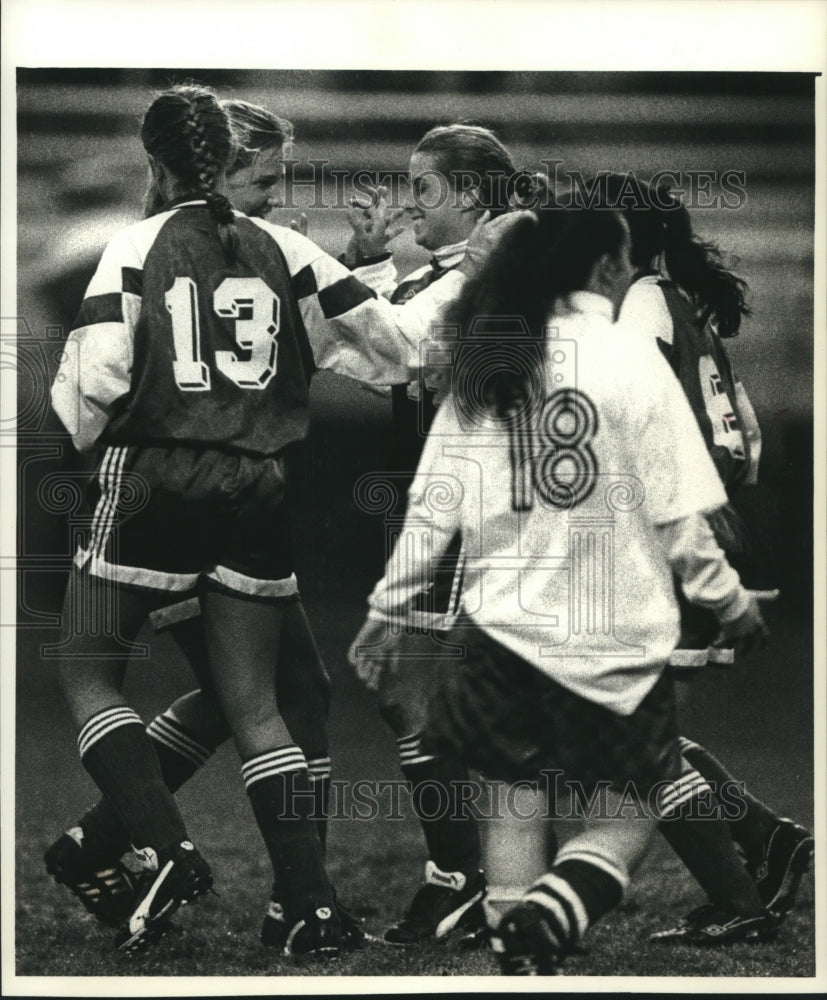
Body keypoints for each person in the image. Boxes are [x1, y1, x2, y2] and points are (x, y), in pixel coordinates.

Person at [49, 84, 484, 958]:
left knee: (90, 670)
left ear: (164, 164)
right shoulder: (287, 250)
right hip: (255, 485)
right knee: (264, 701)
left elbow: (93, 380)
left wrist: (88, 454)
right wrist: (470, 269)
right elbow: (395, 349)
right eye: (265, 178)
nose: (278, 193)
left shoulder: (132, 245)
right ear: (225, 168)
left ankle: (156, 843)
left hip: (152, 478)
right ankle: (308, 905)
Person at [349, 198, 775, 975]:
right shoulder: (626, 356)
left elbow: (433, 500)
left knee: (510, 799)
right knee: (629, 804)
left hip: (498, 634)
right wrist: (728, 602)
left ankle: (520, 945)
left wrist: (386, 607)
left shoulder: (491, 352)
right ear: (609, 268)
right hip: (613, 629)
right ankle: (557, 907)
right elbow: (678, 515)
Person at [612, 176, 814, 944]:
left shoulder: (635, 307)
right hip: (697, 522)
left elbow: (631, 426)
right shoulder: (679, 304)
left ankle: (739, 898)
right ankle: (764, 841)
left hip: (658, 535)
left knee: (627, 738)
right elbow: (749, 431)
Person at [343, 124, 520, 945]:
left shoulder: (499, 267)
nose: (409, 201)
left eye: (423, 187)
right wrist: (361, 263)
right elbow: (367, 345)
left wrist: (325, 274)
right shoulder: (455, 272)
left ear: (473, 195)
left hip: (474, 508)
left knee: (409, 690)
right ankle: (753, 839)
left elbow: (402, 345)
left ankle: (461, 880)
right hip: (451, 505)